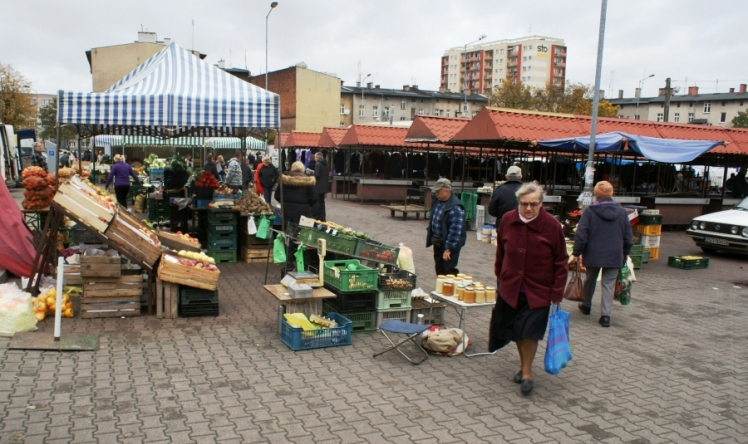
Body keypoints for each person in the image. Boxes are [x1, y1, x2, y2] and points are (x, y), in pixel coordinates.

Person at [491, 182, 568, 395]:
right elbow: (501, 251)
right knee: (517, 331)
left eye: (533, 204)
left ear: (541, 204)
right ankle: (523, 366)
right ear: (518, 203)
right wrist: (500, 274)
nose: (528, 208)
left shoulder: (551, 225)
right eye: (524, 204)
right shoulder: (508, 220)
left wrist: (557, 290)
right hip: (512, 288)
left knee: (530, 332)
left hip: (539, 289)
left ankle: (526, 374)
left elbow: (561, 260)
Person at [571, 181, 633, 328]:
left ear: (596, 195)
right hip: (614, 254)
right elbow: (627, 235)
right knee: (608, 284)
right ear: (611, 194)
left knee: (590, 279)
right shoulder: (621, 212)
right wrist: (626, 252)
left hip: (593, 253)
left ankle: (586, 305)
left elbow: (582, 234)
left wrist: (577, 252)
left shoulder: (590, 211)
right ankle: (605, 316)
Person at [426, 178, 466, 275]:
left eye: (438, 191)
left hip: (449, 243)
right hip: (438, 241)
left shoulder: (455, 207)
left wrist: (448, 249)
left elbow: (455, 231)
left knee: (448, 269)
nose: (436, 193)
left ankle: (451, 289)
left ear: (446, 191)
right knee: (439, 268)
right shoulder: (438, 201)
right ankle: (441, 289)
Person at [274, 161, 317, 225]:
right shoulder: (308, 180)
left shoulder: (284, 179)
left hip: (287, 210)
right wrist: (307, 204)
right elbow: (314, 197)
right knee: (303, 231)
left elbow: (277, 195)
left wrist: (284, 202)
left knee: (287, 230)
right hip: (304, 210)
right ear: (303, 169)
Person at [312, 151, 330, 221]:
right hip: (324, 186)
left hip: (318, 186)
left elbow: (317, 175)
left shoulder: (318, 164)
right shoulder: (326, 164)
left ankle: (317, 216)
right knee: (322, 202)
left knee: (317, 202)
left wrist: (312, 174)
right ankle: (323, 216)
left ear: (317, 157)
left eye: (315, 157)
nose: (314, 159)